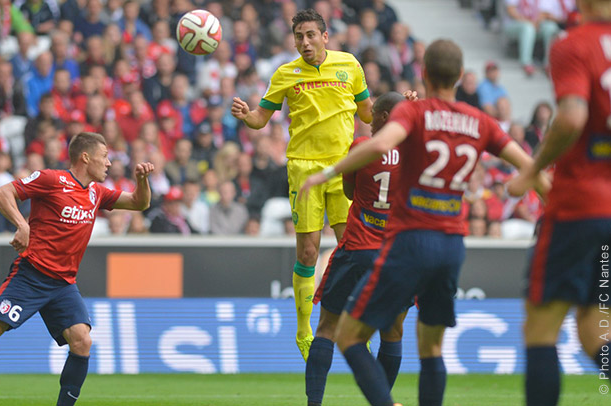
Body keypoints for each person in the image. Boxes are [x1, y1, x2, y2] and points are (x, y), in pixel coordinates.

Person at [300, 39, 547, 406]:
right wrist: (554, 202)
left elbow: (380, 145)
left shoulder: (414, 116)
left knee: (348, 336)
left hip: (409, 241)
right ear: (461, 76)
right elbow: (528, 165)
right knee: (431, 347)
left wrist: (329, 172)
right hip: (452, 245)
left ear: (425, 73)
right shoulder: (479, 121)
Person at [0, 132, 154, 406]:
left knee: (82, 342)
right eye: (104, 157)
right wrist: (22, 224)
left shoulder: (96, 193)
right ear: (86, 157)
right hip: (30, 276)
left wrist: (142, 180)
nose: (109, 163)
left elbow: (139, 203)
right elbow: (2, 192)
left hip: (63, 284)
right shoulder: (52, 179)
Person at [231, 8, 372, 361]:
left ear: (325, 37)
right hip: (304, 170)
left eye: (311, 35)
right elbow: (261, 119)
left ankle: (358, 328)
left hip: (344, 168)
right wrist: (247, 115)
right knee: (308, 252)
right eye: (299, 37)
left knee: (352, 250)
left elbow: (368, 113)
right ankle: (304, 330)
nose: (305, 42)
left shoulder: (349, 65)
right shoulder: (285, 73)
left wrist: (400, 110)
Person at [507, 0, 611, 404]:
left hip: (578, 207)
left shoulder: (574, 45)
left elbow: (570, 116)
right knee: (593, 329)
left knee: (540, 329)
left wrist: (533, 168)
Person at [305, 91, 410, 406]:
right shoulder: (416, 154)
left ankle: (313, 404)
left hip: (358, 248)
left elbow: (349, 191)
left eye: (374, 114)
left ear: (382, 117)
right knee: (393, 331)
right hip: (398, 256)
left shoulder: (362, 147)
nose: (369, 119)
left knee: (326, 327)